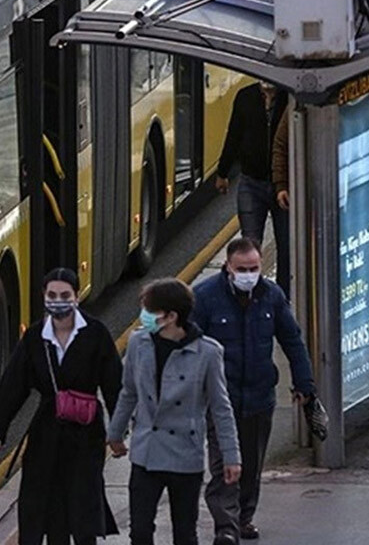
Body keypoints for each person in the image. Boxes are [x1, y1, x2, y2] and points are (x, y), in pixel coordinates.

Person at [0, 268, 123, 545]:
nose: (58, 300)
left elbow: (114, 386)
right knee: (48, 509)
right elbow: (14, 386)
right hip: (46, 433)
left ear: (76, 297)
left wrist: (117, 432)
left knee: (83, 510)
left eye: (64, 295)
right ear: (44, 296)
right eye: (52, 295)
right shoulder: (35, 337)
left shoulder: (96, 334)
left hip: (86, 434)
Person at [192, 238, 315, 542]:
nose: (249, 274)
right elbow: (189, 347)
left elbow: (292, 339)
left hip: (259, 397)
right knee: (224, 466)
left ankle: (244, 517)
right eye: (242, 269)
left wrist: (305, 383)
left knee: (251, 463)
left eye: (254, 268)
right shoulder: (205, 297)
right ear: (228, 268)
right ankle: (227, 527)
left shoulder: (271, 295)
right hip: (221, 399)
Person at [107, 279, 242, 545]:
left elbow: (221, 407)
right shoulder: (138, 343)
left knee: (184, 532)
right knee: (141, 531)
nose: (144, 316)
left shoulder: (207, 353)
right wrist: (115, 433)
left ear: (171, 316)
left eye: (150, 310)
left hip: (185, 455)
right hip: (146, 453)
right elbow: (129, 392)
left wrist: (231, 456)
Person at [216, 81, 291, 291]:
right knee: (250, 244)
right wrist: (223, 172)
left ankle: (283, 298)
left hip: (284, 186)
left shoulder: (290, 97)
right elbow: (234, 134)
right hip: (251, 182)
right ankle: (250, 294)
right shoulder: (245, 97)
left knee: (286, 247)